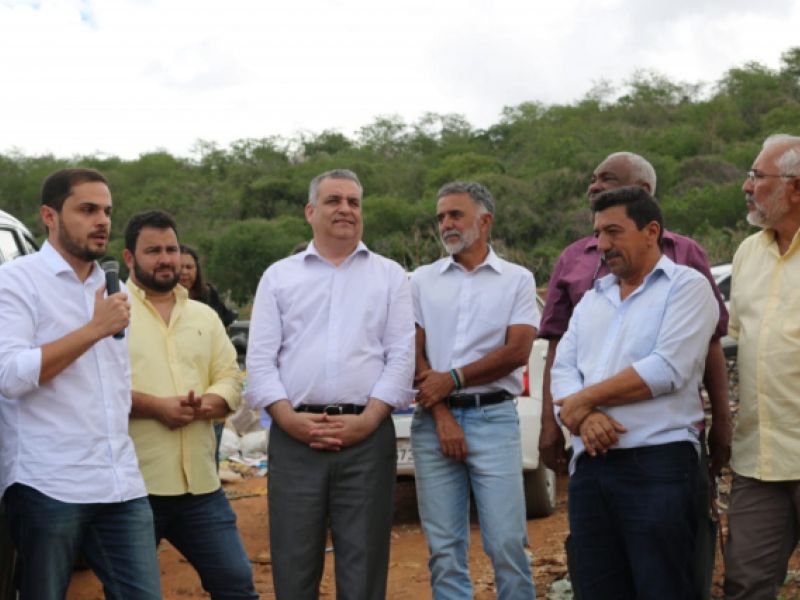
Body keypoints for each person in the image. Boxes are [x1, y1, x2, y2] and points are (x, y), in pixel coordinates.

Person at [538, 151, 730, 598]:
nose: (602, 245)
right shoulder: (594, 298)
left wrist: (584, 400)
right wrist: (584, 416)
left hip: (658, 465)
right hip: (590, 468)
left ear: (651, 232)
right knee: (599, 588)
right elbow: (563, 367)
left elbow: (667, 368)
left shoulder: (687, 286)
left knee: (663, 586)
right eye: (597, 234)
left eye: (613, 232)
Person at [244, 169, 415, 599]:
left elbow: (401, 356)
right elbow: (260, 359)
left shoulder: (390, 275)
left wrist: (370, 419)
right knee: (294, 564)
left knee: (364, 567)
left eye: (354, 202)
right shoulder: (279, 276)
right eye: (334, 200)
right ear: (310, 211)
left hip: (367, 438)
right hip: (295, 438)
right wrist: (288, 419)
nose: (345, 209)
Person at [0, 168, 161, 599]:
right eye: (88, 210)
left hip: (119, 482)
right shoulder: (16, 281)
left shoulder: (112, 287)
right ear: (49, 216)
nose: (102, 221)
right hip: (47, 484)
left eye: (106, 211)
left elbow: (113, 385)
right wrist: (93, 330)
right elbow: (10, 376)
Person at [411, 181, 538, 600]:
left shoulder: (517, 280)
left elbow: (517, 351)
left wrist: (454, 378)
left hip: (494, 418)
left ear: (485, 221)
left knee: (506, 543)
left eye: (455, 215)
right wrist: (442, 414)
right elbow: (412, 353)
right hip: (433, 422)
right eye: (440, 217)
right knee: (444, 549)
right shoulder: (421, 280)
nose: (445, 224)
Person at [122, 210, 258, 599]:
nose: (166, 259)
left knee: (236, 585)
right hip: (133, 489)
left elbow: (230, 376)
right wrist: (155, 407)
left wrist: (209, 403)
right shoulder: (112, 315)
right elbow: (96, 390)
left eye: (171, 249)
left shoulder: (204, 316)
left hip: (200, 486)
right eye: (153, 251)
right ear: (129, 258)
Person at [723, 134, 800, 600]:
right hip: (760, 460)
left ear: (796, 187)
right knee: (746, 583)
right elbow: (740, 340)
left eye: (757, 176)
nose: (746, 186)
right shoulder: (748, 253)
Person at [179, 244, 237, 327]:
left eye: (189, 267)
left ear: (197, 270)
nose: (184, 272)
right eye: (180, 267)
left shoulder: (208, 293)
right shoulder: (164, 298)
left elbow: (225, 322)